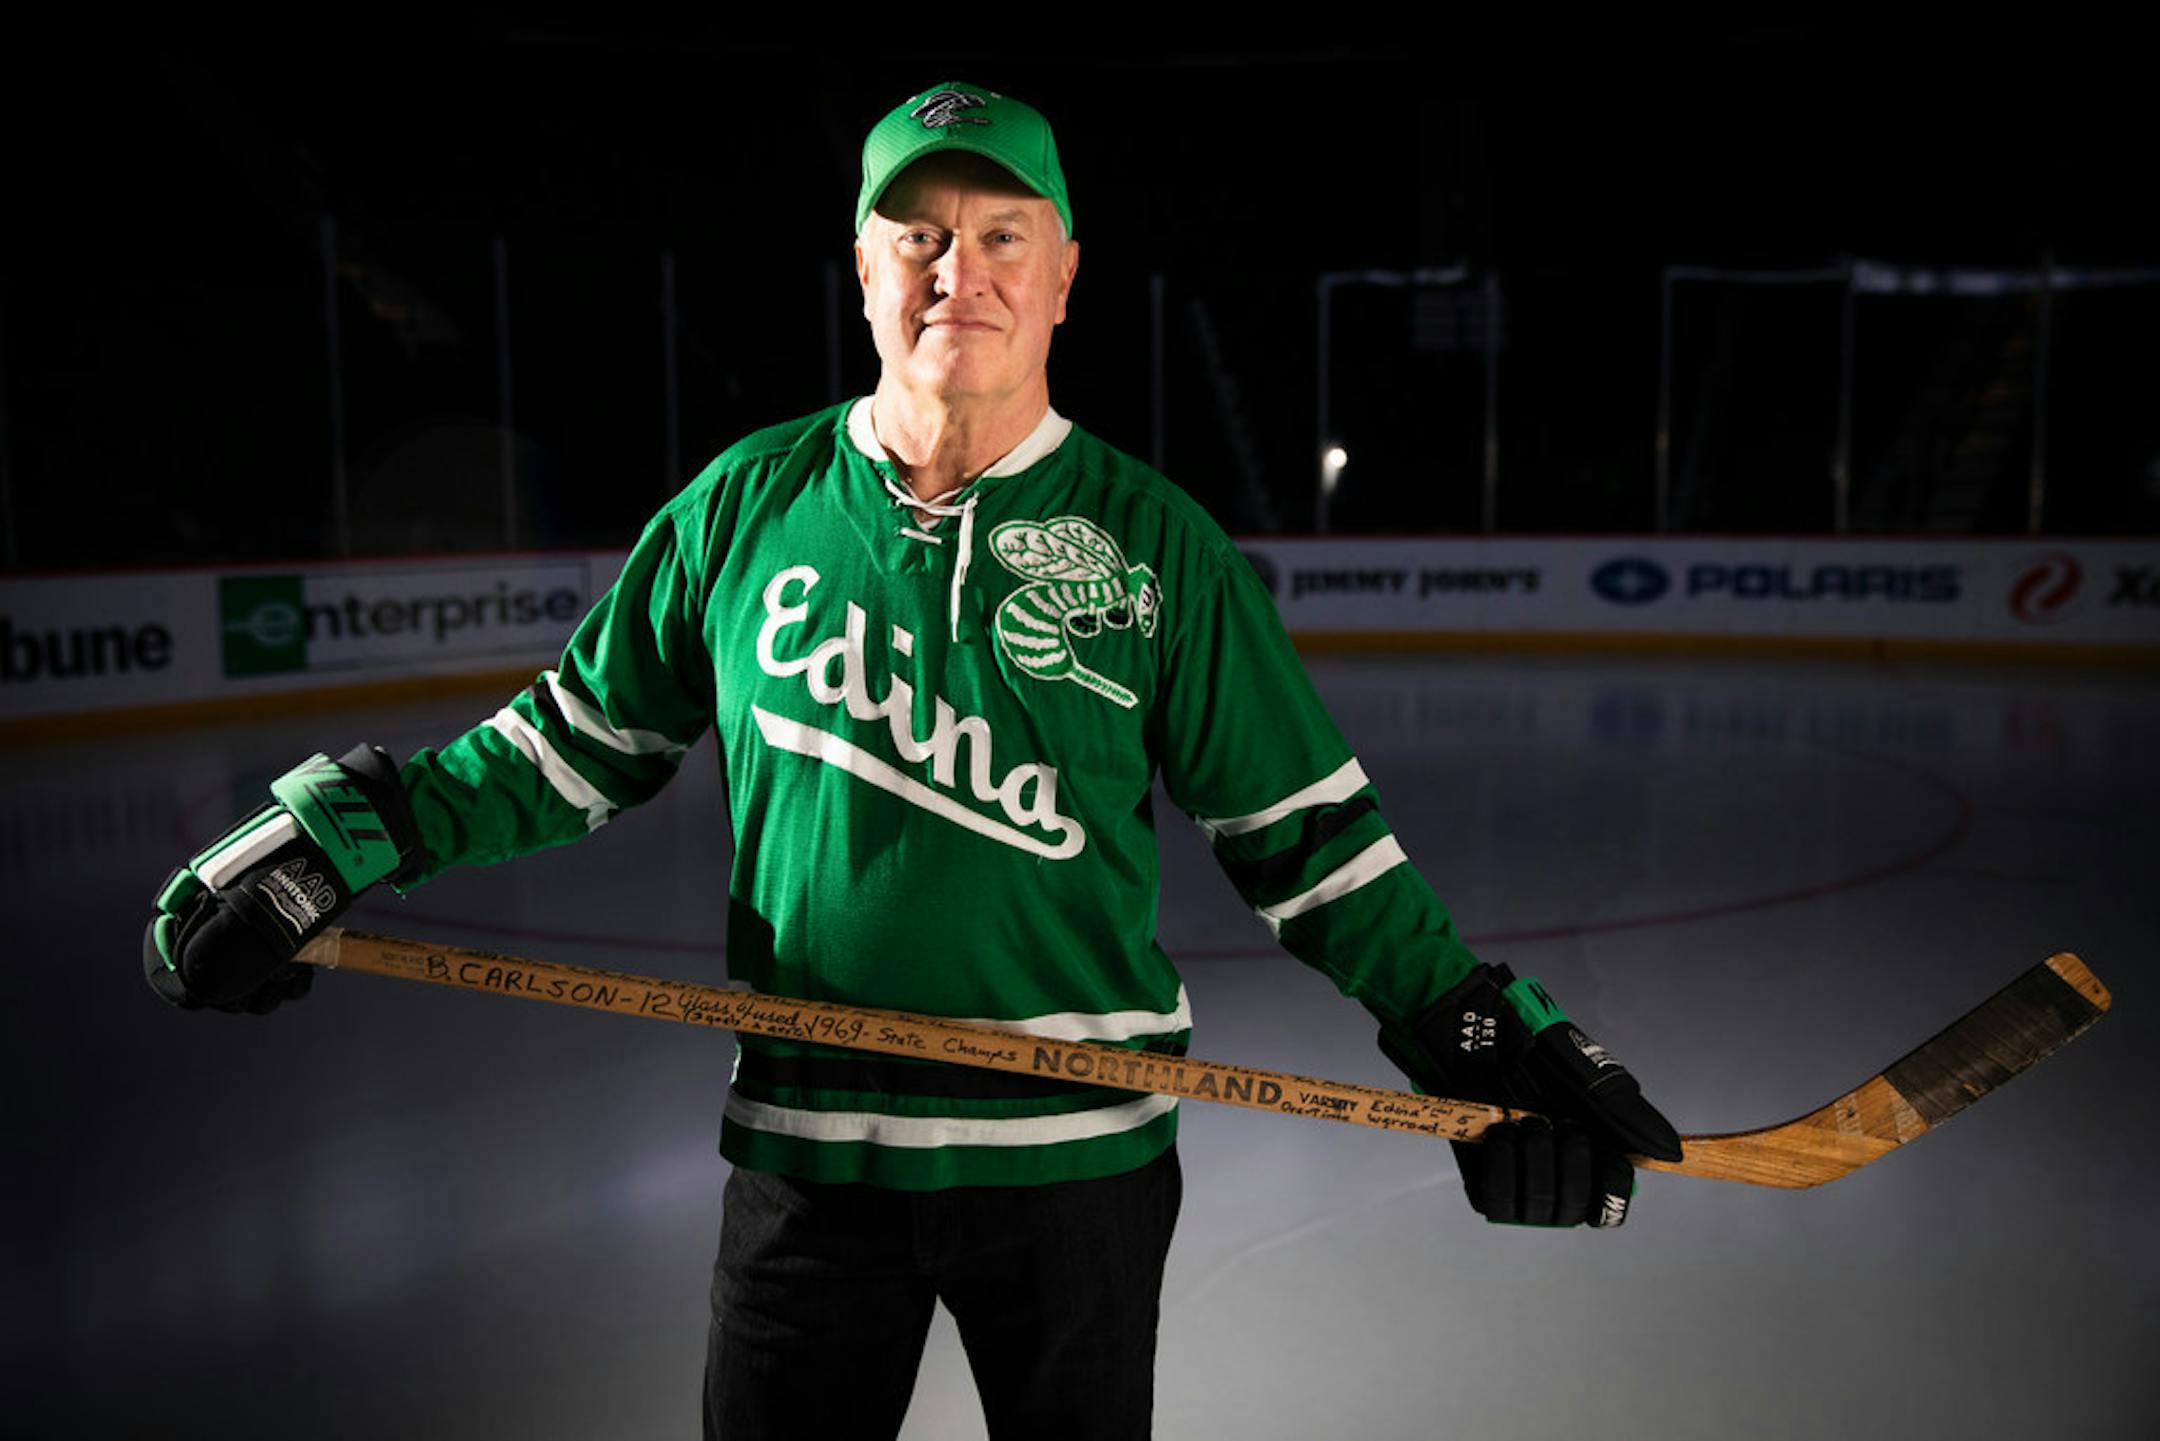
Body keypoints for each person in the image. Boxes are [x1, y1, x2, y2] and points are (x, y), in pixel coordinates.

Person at [145, 81, 1682, 1439]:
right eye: (922, 235)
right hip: (812, 1163)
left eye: (1006, 234)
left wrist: (1474, 1034)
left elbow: (1312, 845)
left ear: (1067, 274)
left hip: (1077, 1174)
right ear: (867, 267)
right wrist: (350, 831)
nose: (964, 271)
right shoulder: (744, 507)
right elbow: (568, 750)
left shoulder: (1160, 548)